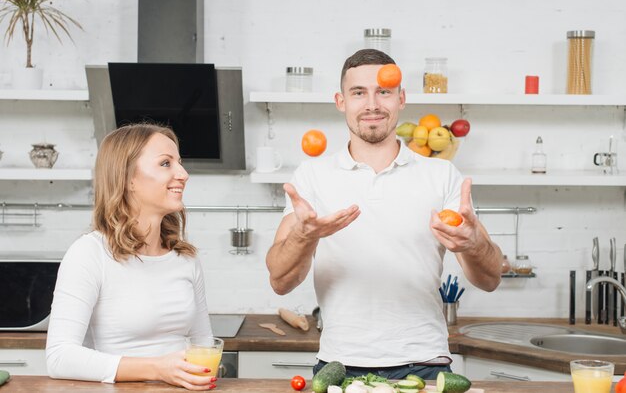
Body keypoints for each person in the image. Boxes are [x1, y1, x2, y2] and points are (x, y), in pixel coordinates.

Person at [266, 49, 503, 380]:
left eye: (384, 92)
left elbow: (490, 279)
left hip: (426, 363)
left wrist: (474, 243)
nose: (372, 104)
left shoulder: (441, 174)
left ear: (401, 99)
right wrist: (305, 235)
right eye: (359, 92)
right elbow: (280, 281)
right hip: (339, 366)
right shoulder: (311, 176)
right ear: (341, 101)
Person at [46, 123, 217, 391]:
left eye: (179, 163)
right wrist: (157, 369)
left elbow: (204, 343)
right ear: (127, 179)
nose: (183, 174)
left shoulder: (185, 258)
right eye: (165, 163)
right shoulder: (90, 254)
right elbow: (59, 356)